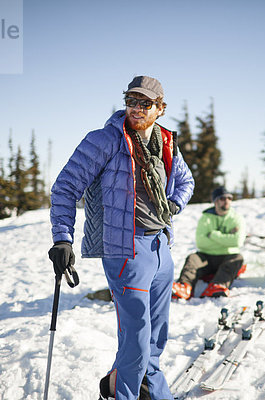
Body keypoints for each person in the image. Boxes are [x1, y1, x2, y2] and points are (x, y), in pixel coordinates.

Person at [48, 76, 194, 400]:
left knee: (156, 338)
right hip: (126, 249)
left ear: (160, 108)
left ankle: (152, 393)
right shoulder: (105, 140)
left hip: (161, 247)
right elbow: (65, 186)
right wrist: (62, 238)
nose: (136, 108)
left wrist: (173, 204)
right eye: (131, 100)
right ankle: (120, 394)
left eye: (145, 103)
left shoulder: (166, 142)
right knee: (137, 338)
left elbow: (186, 182)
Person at [171, 186, 246, 299]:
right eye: (222, 198)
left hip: (228, 256)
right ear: (215, 201)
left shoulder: (236, 218)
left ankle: (217, 286)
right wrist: (227, 239)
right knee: (193, 258)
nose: (226, 201)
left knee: (237, 259)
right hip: (207, 257)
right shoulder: (205, 218)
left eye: (229, 198)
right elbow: (201, 242)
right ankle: (185, 287)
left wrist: (213, 235)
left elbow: (238, 241)